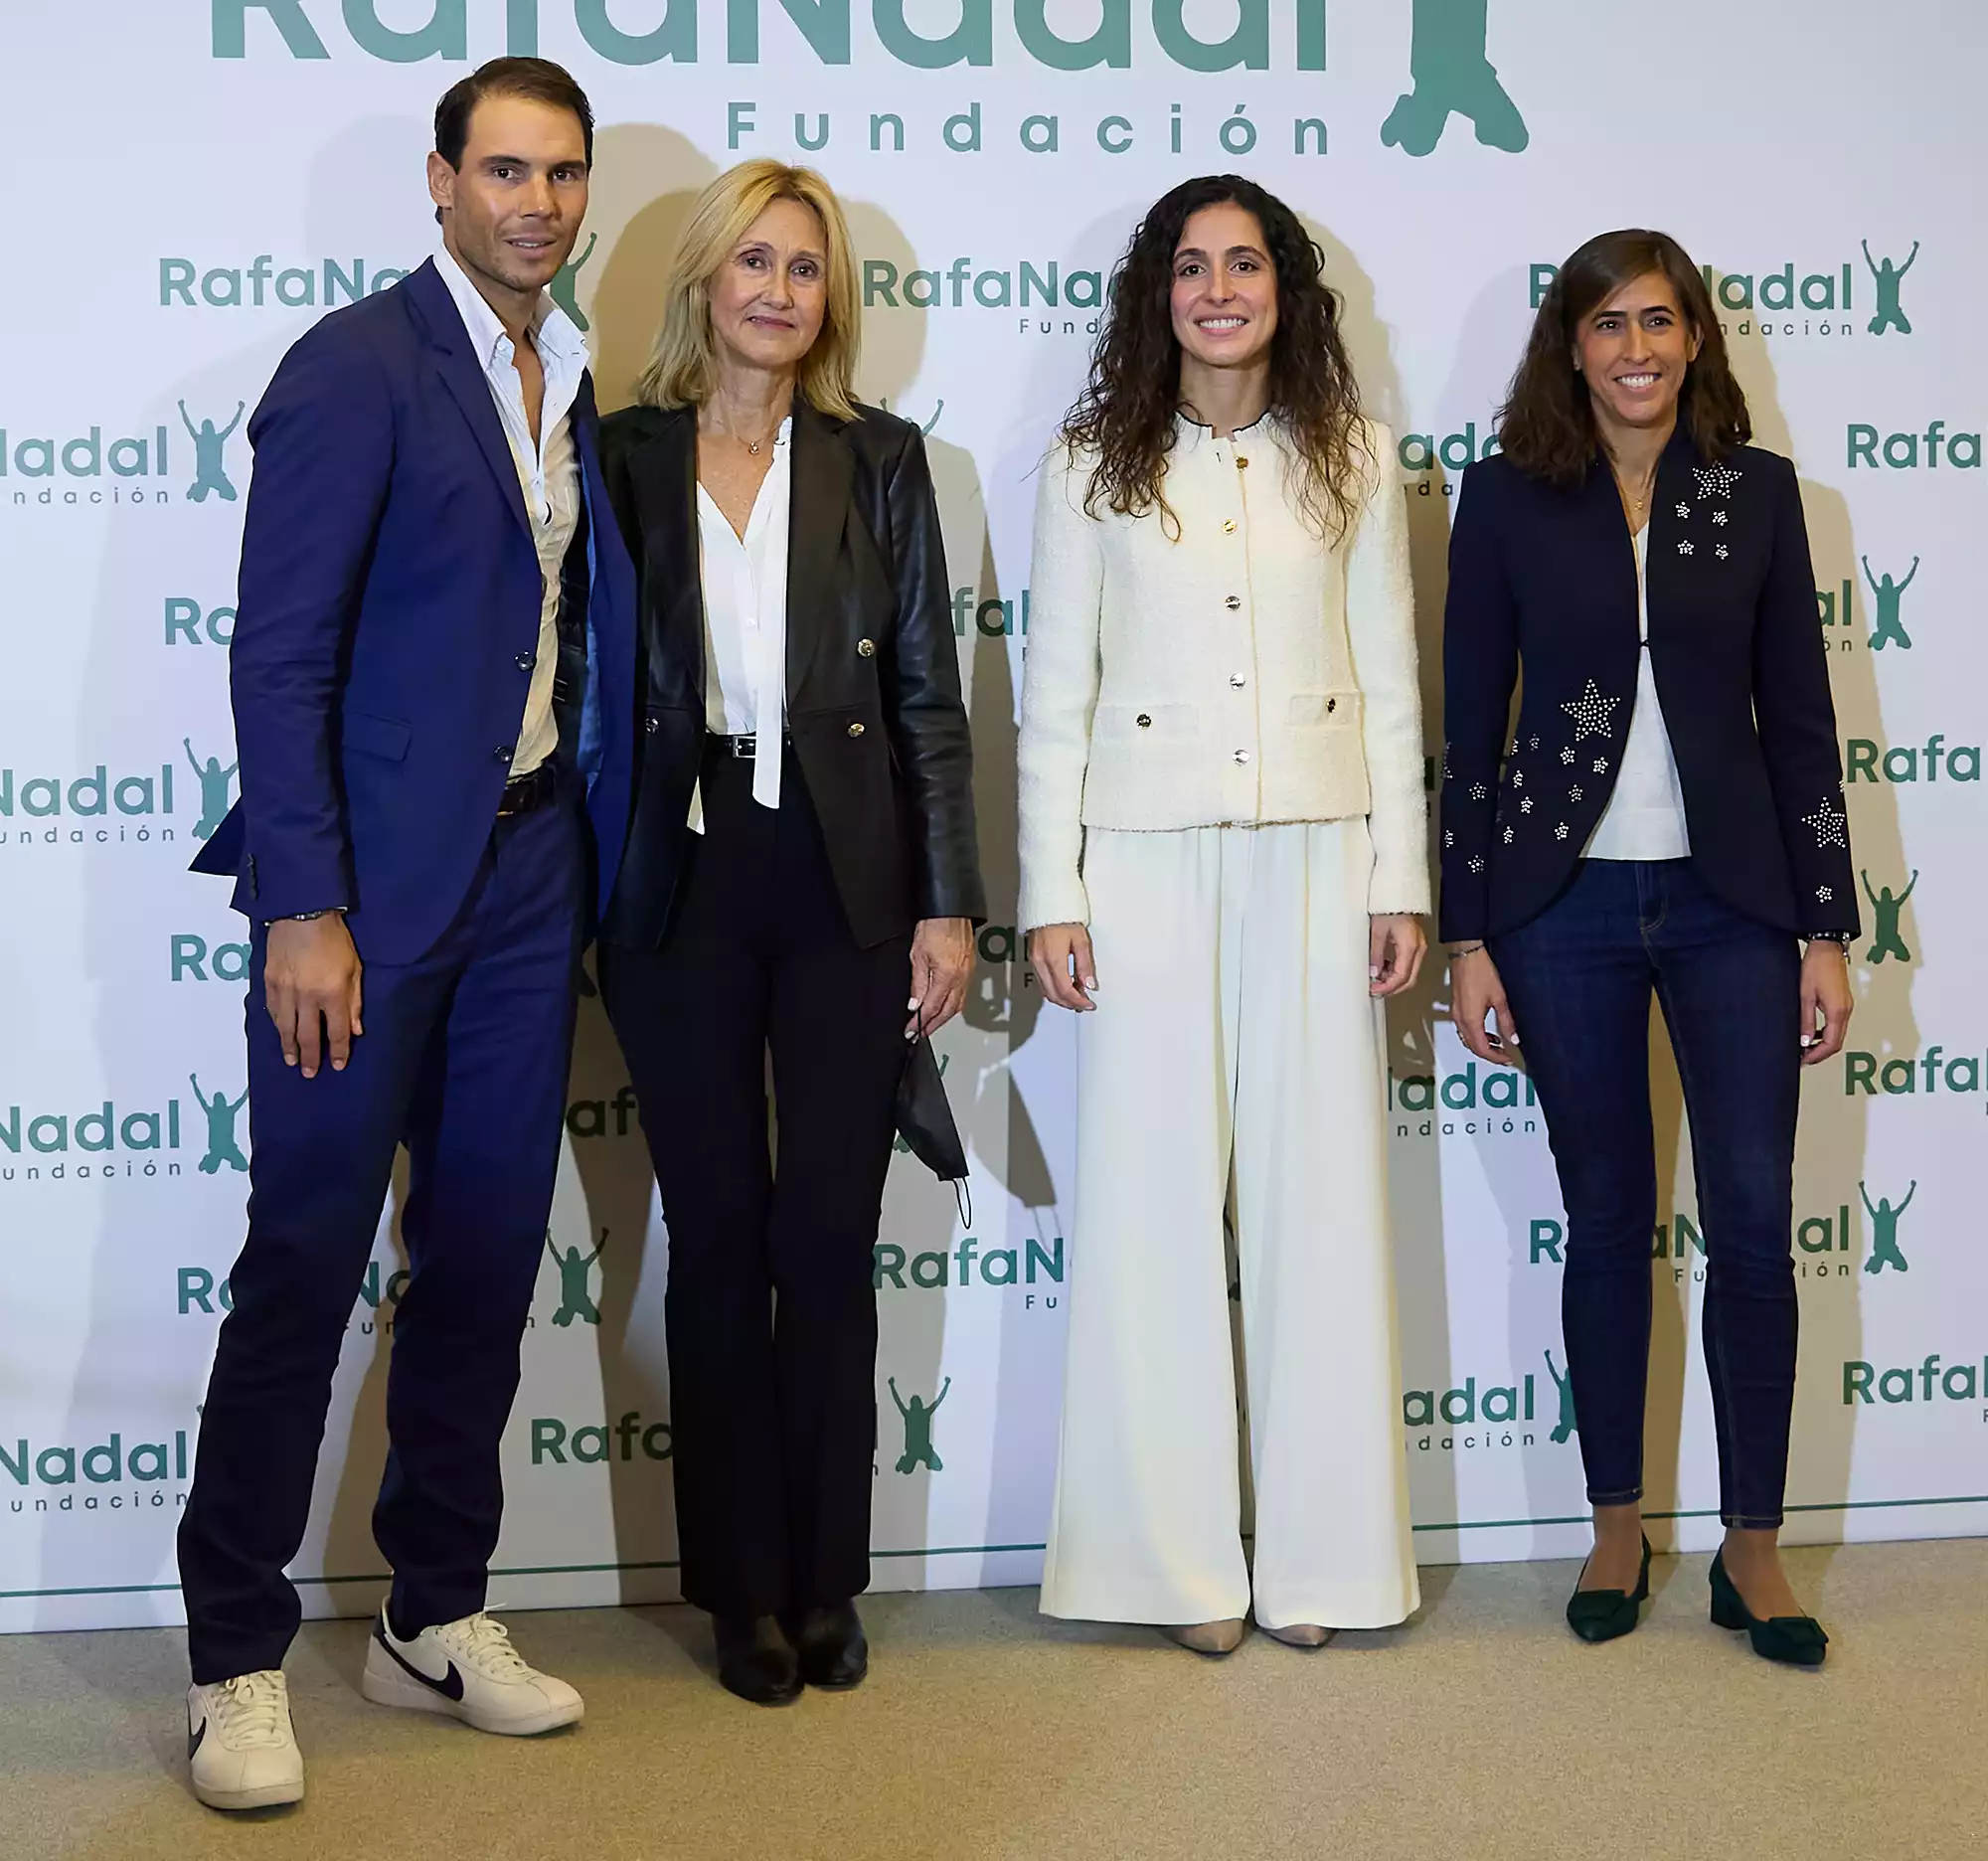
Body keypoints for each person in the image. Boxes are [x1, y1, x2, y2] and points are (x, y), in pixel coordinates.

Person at [176, 59, 636, 1808]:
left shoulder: (572, 378)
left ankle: (433, 1609)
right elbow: (277, 656)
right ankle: (235, 1649)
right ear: (439, 184)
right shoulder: (355, 367)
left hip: (529, 888)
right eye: (503, 170)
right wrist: (304, 901)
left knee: (487, 1260)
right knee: (301, 1263)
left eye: (563, 173)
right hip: (357, 896)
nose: (535, 202)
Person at [1020, 175, 1427, 1655]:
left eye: (1241, 263)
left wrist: (1402, 880)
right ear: (1158, 296)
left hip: (1321, 855)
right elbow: (1051, 699)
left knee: (1321, 1213)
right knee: (1147, 1218)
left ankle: (1322, 1569)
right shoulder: (1088, 468)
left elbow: (1390, 683)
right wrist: (1050, 894)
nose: (1215, 289)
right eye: (1189, 267)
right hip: (1137, 864)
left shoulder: (1359, 462)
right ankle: (1170, 1570)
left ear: (1284, 288)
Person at [594, 159, 983, 1707]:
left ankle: (828, 1580)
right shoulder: (619, 456)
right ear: (705, 280)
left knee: (829, 1236)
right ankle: (737, 1592)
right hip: (677, 885)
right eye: (752, 260)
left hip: (847, 882)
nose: (776, 289)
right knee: (716, 1238)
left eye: (805, 269)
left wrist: (948, 900)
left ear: (832, 301)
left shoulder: (880, 461)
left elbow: (927, 703)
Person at [1440, 228, 1856, 1666]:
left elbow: (1802, 722)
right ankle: (1615, 1523)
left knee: (1750, 1223)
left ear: (1695, 343)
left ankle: (1753, 1546)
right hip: (1559, 909)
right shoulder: (1504, 499)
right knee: (1608, 1220)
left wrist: (1824, 924)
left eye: (1660, 323)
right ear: (1572, 344)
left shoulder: (1756, 498)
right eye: (1608, 323)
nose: (1635, 349)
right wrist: (1469, 932)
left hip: (1737, 905)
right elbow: (1468, 726)